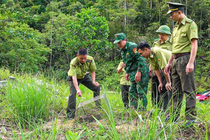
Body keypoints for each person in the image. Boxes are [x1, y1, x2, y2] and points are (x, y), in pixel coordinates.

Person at [164, 2, 198, 126]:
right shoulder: (176, 27)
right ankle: (174, 115)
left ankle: (190, 118)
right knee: (175, 91)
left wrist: (190, 62)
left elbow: (194, 44)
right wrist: (168, 63)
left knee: (188, 89)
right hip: (175, 61)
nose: (171, 17)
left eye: (172, 14)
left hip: (185, 59)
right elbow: (174, 47)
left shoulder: (190, 24)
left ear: (179, 12)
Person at [114, 33, 149, 110]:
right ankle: (134, 108)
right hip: (132, 73)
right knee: (132, 91)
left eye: (120, 42)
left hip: (141, 71)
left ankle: (143, 109)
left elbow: (141, 59)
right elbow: (127, 61)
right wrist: (127, 72)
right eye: (117, 43)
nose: (118, 44)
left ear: (125, 40)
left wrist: (139, 72)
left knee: (141, 90)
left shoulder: (132, 46)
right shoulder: (122, 50)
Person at [66, 48, 101, 120]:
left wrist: (94, 81)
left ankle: (98, 107)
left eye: (85, 58)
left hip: (84, 76)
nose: (83, 60)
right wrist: (78, 89)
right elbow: (74, 77)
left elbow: (92, 71)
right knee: (72, 94)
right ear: (77, 56)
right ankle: (70, 115)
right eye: (81, 58)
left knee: (96, 88)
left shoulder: (90, 59)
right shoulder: (73, 62)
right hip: (74, 77)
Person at [137, 41, 172, 111]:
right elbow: (156, 69)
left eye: (141, 53)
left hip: (173, 67)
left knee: (167, 89)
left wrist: (168, 82)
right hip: (166, 69)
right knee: (162, 87)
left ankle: (166, 110)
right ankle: (162, 109)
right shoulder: (150, 56)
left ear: (146, 50)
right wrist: (160, 83)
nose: (141, 55)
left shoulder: (156, 51)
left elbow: (163, 68)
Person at [150, 25, 172, 111]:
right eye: (159, 34)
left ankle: (164, 108)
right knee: (155, 87)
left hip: (166, 68)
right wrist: (150, 67)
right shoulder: (156, 43)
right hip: (156, 68)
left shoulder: (171, 44)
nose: (160, 36)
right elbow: (152, 56)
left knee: (164, 89)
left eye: (163, 34)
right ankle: (155, 107)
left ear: (167, 35)